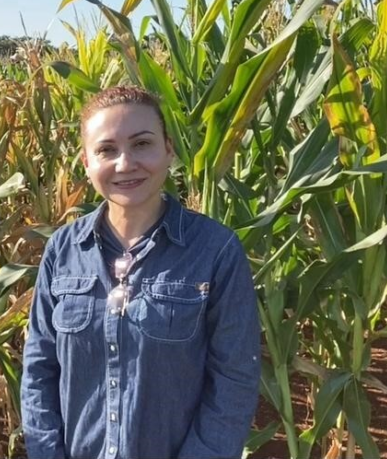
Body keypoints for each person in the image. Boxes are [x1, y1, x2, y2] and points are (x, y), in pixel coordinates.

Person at [20, 86, 260, 458]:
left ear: (168, 150)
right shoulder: (63, 250)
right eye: (106, 150)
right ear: (86, 162)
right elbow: (39, 372)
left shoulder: (215, 251)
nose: (125, 163)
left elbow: (234, 381)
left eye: (142, 144)